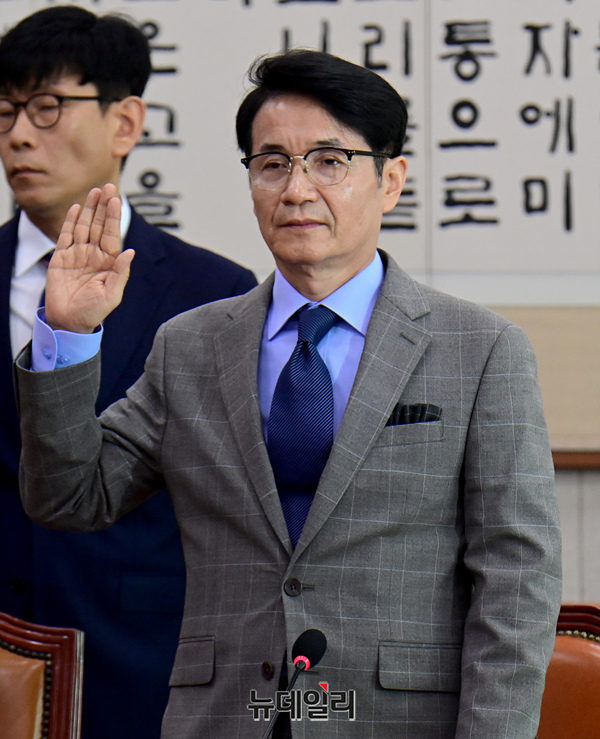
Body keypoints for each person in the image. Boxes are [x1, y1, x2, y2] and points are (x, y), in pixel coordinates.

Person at [15, 50, 561, 738]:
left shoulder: (479, 349)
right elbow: (70, 497)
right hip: (226, 717)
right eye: (273, 163)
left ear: (390, 180)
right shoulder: (190, 346)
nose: (297, 188)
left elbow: (518, 577)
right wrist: (68, 332)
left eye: (330, 161)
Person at [0, 7, 256, 739]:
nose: (19, 135)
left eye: (48, 106)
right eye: (6, 111)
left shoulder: (215, 292)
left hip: (141, 651)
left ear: (126, 122)